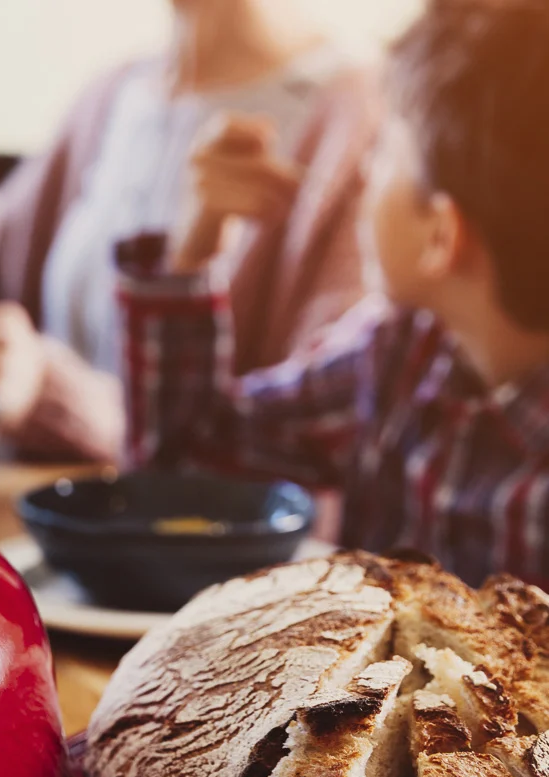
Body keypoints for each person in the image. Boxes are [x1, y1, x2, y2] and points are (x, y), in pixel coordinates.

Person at [160, 0, 549, 588]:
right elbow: (190, 456)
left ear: (441, 235)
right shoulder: (396, 354)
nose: (365, 175)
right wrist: (194, 250)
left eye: (384, 152)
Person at [0, 0, 382, 460]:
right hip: (22, 516)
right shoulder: (113, 93)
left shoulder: (363, 118)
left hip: (180, 525)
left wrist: (48, 390)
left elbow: (293, 443)